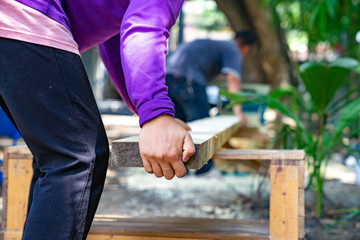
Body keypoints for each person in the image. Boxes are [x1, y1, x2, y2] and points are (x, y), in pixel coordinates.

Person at [0, 0, 194, 239]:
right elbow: (144, 25)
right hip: (20, 16)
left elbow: (117, 41)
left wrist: (149, 115)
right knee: (75, 158)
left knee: (55, 155)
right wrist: (156, 114)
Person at [165, 30, 255, 175]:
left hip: (168, 77)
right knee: (202, 126)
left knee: (180, 125)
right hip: (189, 80)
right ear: (246, 48)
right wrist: (238, 112)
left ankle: (179, 170)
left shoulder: (217, 46)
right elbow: (232, 78)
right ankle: (204, 171)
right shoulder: (233, 49)